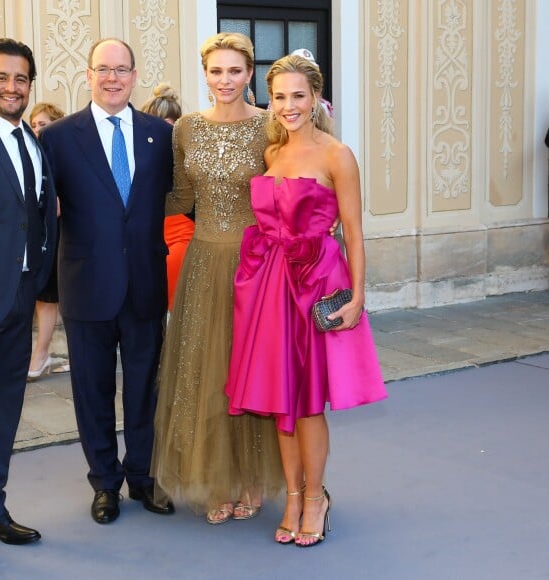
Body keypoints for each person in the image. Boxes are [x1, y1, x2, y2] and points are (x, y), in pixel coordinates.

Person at [225, 54, 387, 547]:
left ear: (316, 98)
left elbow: (355, 234)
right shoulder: (273, 154)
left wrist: (358, 297)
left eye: (298, 96)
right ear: (269, 101)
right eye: (280, 97)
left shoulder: (338, 155)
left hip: (315, 282)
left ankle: (315, 498)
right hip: (271, 287)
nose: (289, 106)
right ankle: (293, 497)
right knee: (281, 402)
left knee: (309, 402)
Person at [39, 38, 175, 524]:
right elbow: (39, 212)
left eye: (121, 69)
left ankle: (142, 477)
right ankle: (105, 483)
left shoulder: (162, 135)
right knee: (92, 390)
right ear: (88, 75)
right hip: (85, 285)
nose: (112, 78)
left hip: (144, 283)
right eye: (103, 69)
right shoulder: (57, 138)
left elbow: (180, 202)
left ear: (135, 76)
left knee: (145, 388)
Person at [150, 32, 284, 524]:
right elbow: (179, 197)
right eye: (215, 71)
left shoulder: (271, 127)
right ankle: (219, 479)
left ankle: (251, 477)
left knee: (250, 371)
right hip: (204, 265)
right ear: (204, 75)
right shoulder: (185, 128)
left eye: (234, 71)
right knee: (207, 374)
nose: (224, 80)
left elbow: (290, 189)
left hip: (255, 267)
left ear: (249, 74)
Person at [0, 38, 57, 575]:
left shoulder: (31, 140)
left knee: (3, 413)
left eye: (21, 79)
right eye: (2, 78)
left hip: (20, 299)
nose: (12, 87)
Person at [140, 83, 195, 310]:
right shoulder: (134, 157)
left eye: (168, 128)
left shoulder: (187, 158)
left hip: (181, 237)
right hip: (144, 240)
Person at [28, 102, 69, 378]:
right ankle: (41, 355)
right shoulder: (32, 154)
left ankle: (40, 356)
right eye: (34, 125)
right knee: (47, 299)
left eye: (43, 124)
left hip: (62, 235)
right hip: (41, 236)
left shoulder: (62, 154)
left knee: (48, 298)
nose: (38, 130)